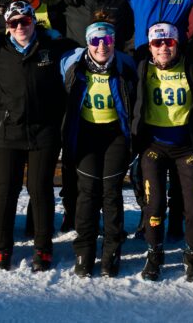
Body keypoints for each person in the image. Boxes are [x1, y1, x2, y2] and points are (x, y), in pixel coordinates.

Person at [0, 1, 72, 272]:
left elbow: (83, 51)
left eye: (25, 21)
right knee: (6, 189)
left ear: (34, 22)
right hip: (8, 130)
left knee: (40, 189)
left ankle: (43, 247)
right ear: (7, 26)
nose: (20, 27)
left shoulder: (52, 47)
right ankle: (2, 248)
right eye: (13, 23)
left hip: (43, 130)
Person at [61, 18, 138, 278]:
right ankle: (84, 250)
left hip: (115, 133)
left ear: (114, 42)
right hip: (86, 133)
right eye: (95, 40)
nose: (101, 46)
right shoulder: (74, 65)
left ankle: (111, 251)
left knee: (111, 192)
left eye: (107, 40)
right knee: (87, 193)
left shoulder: (125, 65)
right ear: (87, 43)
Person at [133, 22, 193, 282]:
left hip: (186, 146)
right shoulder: (142, 66)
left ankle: (192, 255)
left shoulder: (190, 65)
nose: (163, 47)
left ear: (177, 44)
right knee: (154, 206)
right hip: (153, 146)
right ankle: (154, 255)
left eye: (169, 42)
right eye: (157, 42)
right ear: (149, 47)